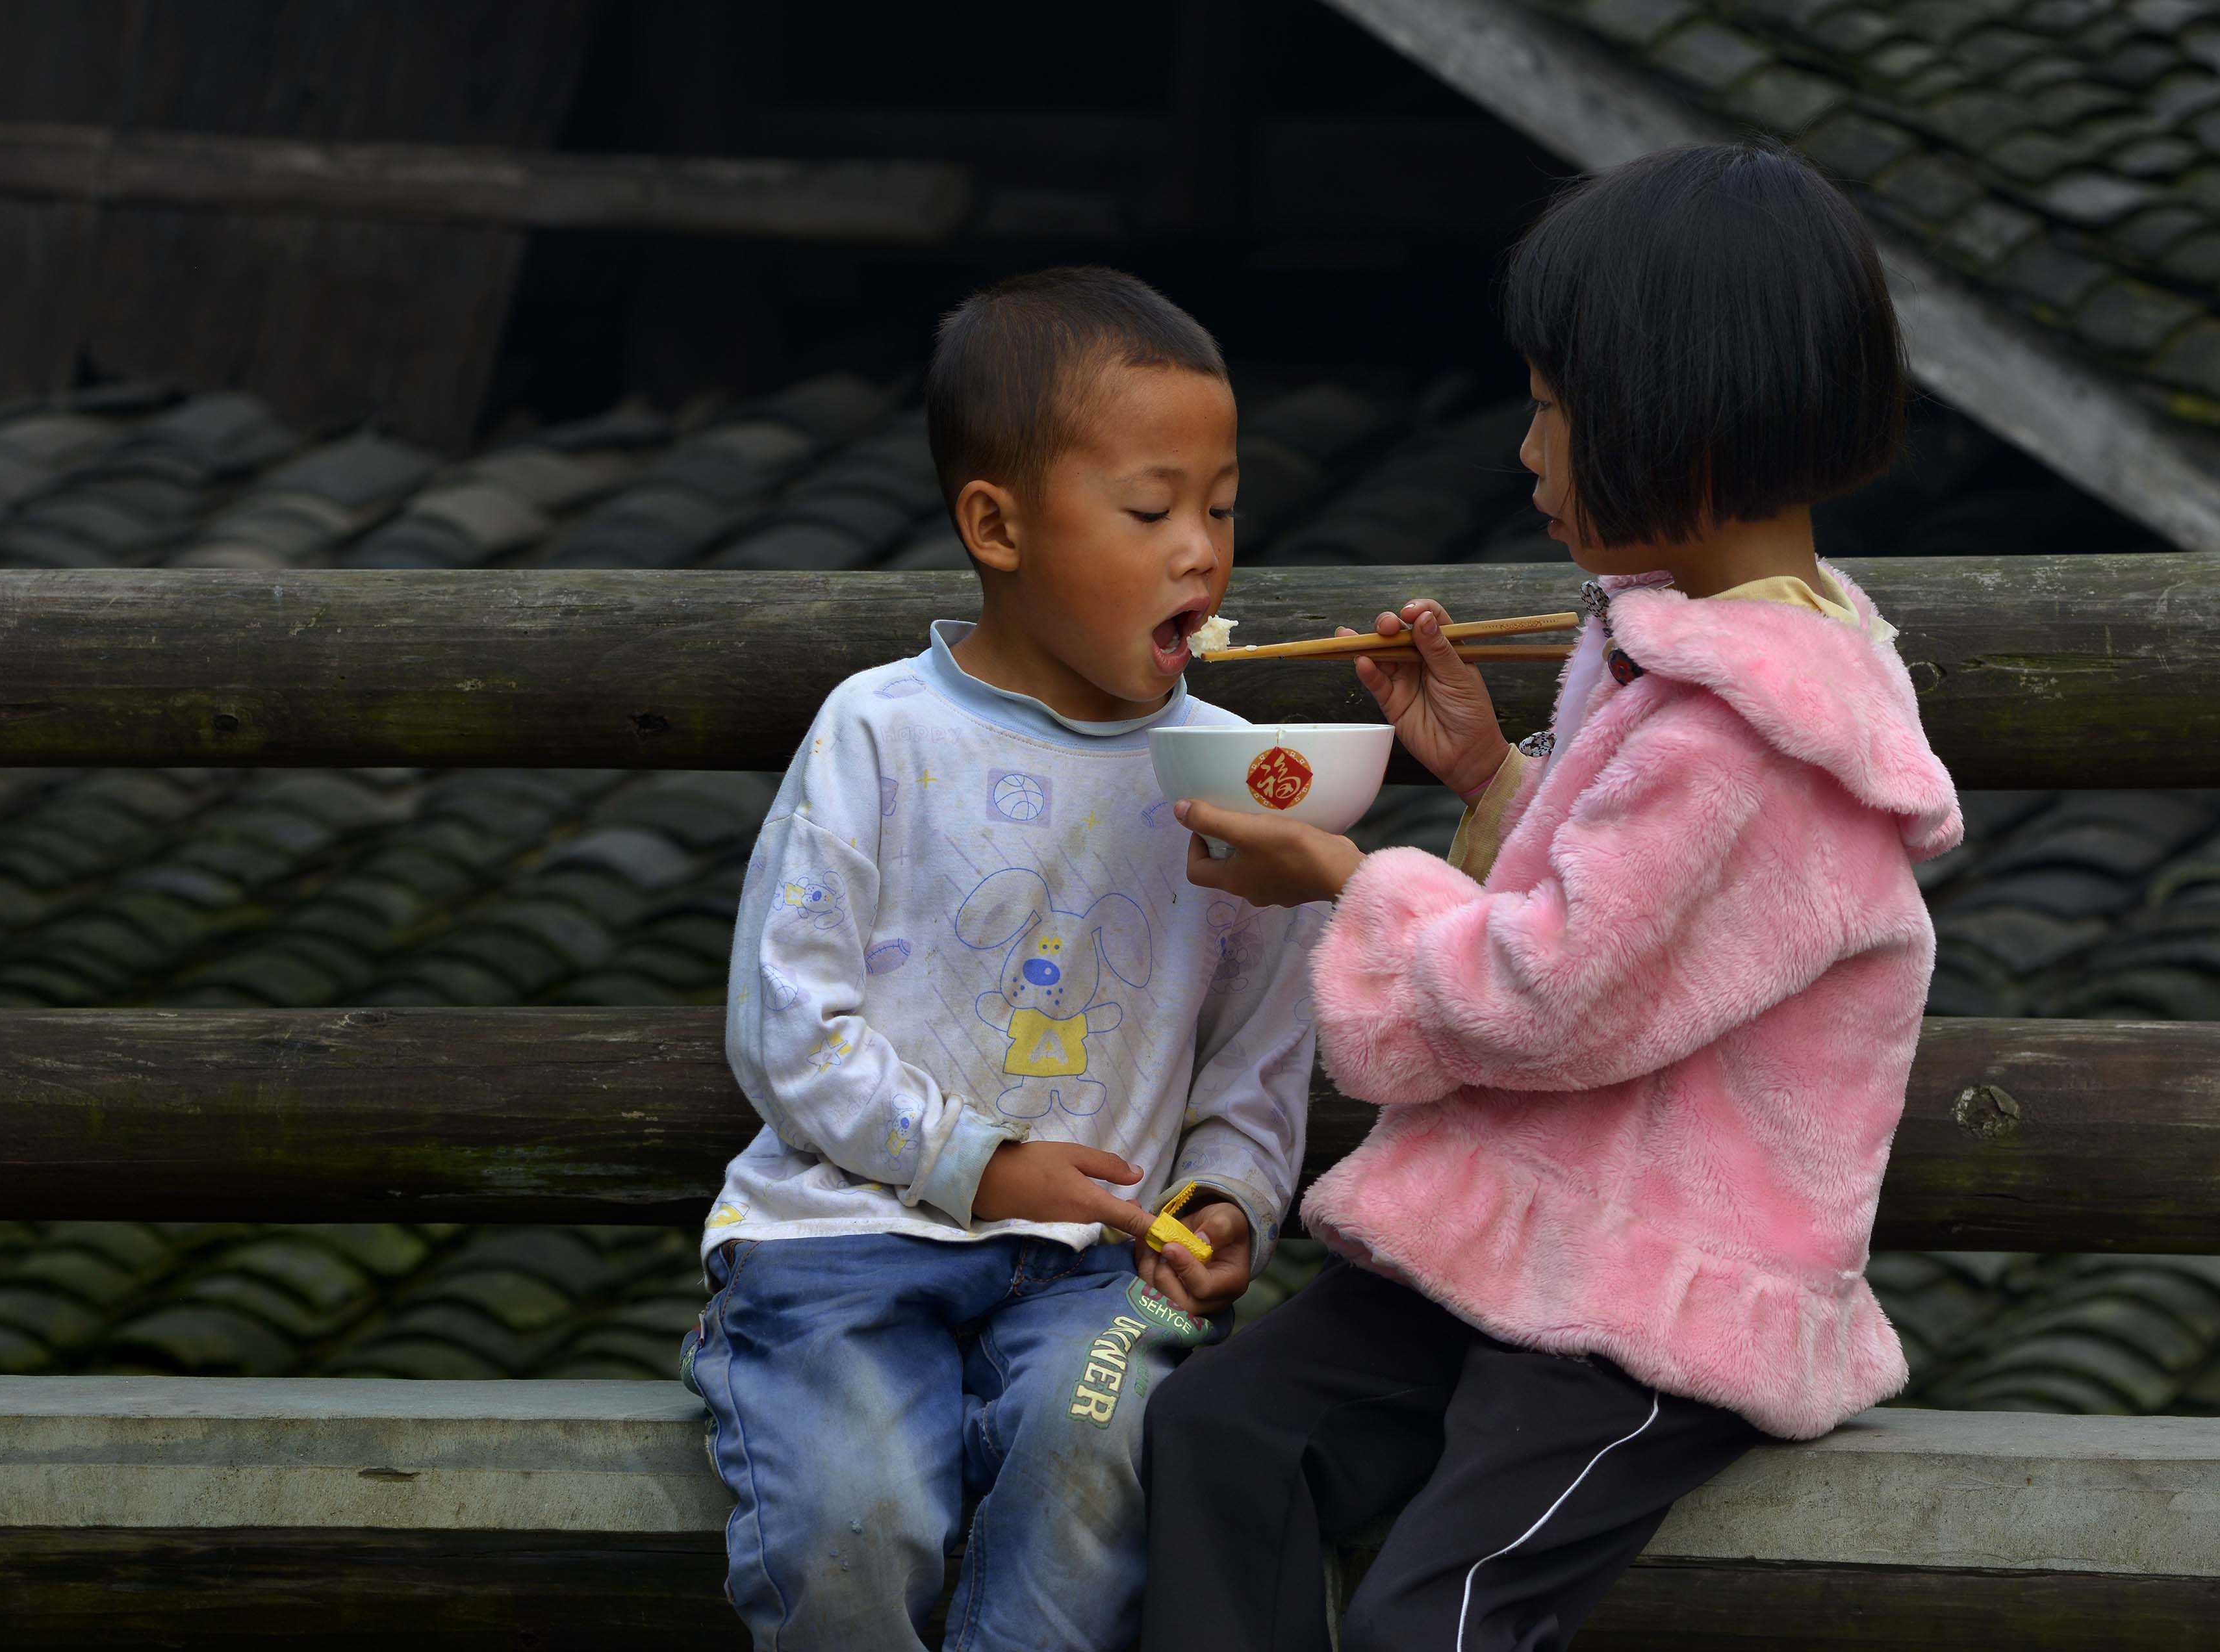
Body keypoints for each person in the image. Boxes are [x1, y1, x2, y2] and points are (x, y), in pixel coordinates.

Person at [1140, 142, 1962, 1651]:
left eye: (1549, 406)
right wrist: (1485, 777)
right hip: (1532, 1236)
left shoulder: (1750, 729)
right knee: (1222, 1433)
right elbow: (1648, 924)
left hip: (1659, 1301)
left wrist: (1342, 877)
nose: (1527, 450)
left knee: (1434, 1619)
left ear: (1672, 411)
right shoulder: (1693, 648)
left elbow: (1548, 994)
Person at [683, 265, 1318, 1651]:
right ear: (997, 525)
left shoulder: (1239, 773)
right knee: (851, 1518)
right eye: (1150, 511)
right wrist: (979, 1164)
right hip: (840, 1250)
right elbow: (789, 1025)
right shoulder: (879, 734)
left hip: (1101, 1275)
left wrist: (1230, 1199)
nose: (1200, 554)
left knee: (1101, 1456)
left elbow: (1263, 1059)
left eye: (1221, 509)